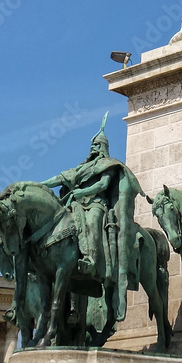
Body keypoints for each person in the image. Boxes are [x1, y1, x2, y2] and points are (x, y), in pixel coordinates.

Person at [41, 113, 142, 281]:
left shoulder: (107, 164)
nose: (94, 148)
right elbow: (59, 178)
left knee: (92, 224)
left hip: (96, 204)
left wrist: (83, 192)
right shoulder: (82, 168)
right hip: (75, 204)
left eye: (97, 145)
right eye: (92, 146)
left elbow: (103, 185)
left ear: (103, 147)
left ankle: (91, 259)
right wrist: (39, 186)